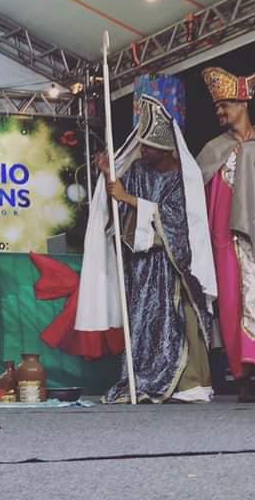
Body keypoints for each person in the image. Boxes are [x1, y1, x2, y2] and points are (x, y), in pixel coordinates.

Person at [76, 95, 216, 403]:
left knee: (179, 321)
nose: (143, 151)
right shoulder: (138, 171)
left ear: (165, 148)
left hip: (172, 266)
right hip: (142, 266)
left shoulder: (183, 178)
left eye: (149, 147)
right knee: (143, 323)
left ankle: (188, 384)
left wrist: (129, 199)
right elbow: (119, 211)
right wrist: (108, 176)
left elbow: (177, 221)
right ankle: (144, 377)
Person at [197, 67, 255, 401]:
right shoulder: (213, 149)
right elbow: (193, 192)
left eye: (225, 105)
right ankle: (243, 377)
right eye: (217, 107)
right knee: (232, 306)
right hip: (227, 240)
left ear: (243, 104)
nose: (220, 112)